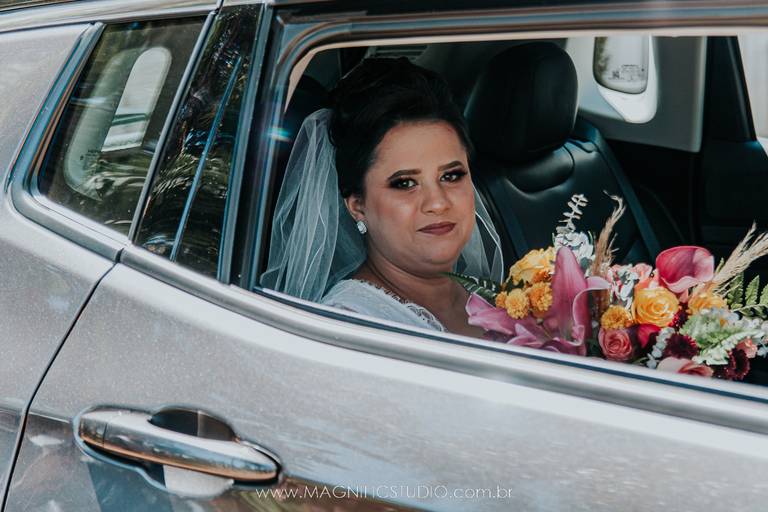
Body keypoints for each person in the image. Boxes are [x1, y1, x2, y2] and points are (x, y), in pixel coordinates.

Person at [261, 57, 502, 335]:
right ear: (357, 206)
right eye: (405, 183)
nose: (437, 203)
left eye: (451, 176)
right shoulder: (351, 327)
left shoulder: (493, 297)